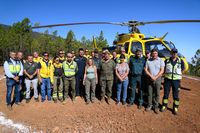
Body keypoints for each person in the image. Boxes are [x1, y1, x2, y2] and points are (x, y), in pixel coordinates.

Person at [160, 48, 185, 115]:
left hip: (176, 81)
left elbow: (182, 69)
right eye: (173, 52)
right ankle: (164, 106)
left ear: (176, 53)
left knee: (176, 95)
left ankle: (175, 108)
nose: (174, 53)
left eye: (175, 52)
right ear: (171, 53)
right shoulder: (167, 60)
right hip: (167, 80)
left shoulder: (180, 61)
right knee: (166, 94)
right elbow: (164, 69)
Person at [144, 49, 165, 114]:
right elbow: (146, 70)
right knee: (149, 93)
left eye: (156, 53)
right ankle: (149, 105)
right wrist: (151, 76)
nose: (155, 54)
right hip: (150, 79)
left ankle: (156, 107)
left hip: (158, 79)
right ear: (151, 54)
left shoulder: (161, 60)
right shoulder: (148, 61)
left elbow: (162, 70)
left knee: (157, 93)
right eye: (153, 53)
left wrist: (156, 77)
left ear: (157, 53)